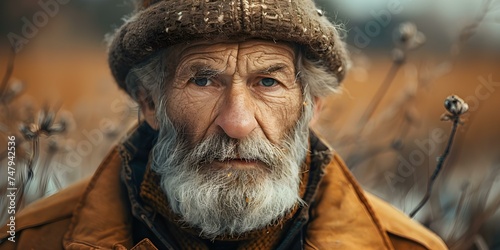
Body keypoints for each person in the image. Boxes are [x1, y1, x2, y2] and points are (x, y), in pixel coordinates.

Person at [0, 0, 448, 249]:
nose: (237, 123)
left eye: (268, 81)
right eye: (202, 79)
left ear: (311, 105)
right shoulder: (33, 241)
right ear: (150, 102)